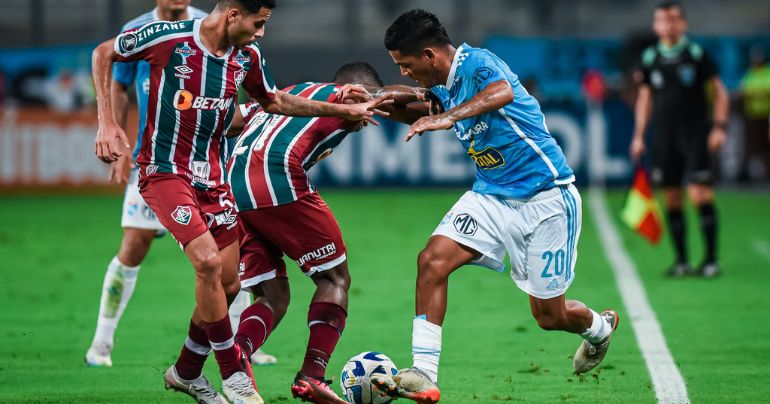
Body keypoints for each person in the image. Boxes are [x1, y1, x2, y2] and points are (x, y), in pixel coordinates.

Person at [91, 0, 391, 402]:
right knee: (208, 263)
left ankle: (186, 371)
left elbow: (275, 102)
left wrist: (340, 107)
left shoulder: (246, 56)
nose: (261, 32)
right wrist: (107, 122)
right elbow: (103, 52)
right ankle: (236, 376)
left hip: (216, 179)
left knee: (229, 285)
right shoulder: (169, 36)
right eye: (259, 23)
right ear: (233, 15)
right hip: (165, 171)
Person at [360, 9, 620, 403]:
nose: (407, 73)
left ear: (430, 55)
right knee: (432, 260)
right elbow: (417, 108)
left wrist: (449, 116)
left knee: (549, 317)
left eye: (407, 65)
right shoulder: (443, 85)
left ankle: (599, 328)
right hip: (491, 196)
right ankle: (423, 372)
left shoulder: (477, 63)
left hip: (546, 199)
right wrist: (375, 103)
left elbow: (501, 94)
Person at [226, 62, 392, 404]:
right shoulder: (349, 96)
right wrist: (426, 94)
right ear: (357, 90)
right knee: (335, 279)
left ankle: (237, 355)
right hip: (276, 180)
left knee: (272, 295)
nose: (365, 118)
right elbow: (393, 99)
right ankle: (312, 376)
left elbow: (229, 121)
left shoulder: (287, 92)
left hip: (233, 186)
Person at [84, 0, 211, 369]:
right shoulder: (136, 30)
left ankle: (242, 345)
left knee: (225, 251)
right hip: (152, 160)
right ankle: (101, 344)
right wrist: (116, 133)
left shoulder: (210, 25)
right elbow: (118, 86)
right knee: (134, 244)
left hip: (204, 162)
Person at [629, 1, 729, 278]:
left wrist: (719, 127)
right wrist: (638, 135)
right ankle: (682, 261)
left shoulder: (696, 54)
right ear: (655, 25)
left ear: (683, 24)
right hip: (664, 136)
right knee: (672, 196)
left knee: (699, 193)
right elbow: (645, 98)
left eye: (673, 20)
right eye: (663, 20)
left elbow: (720, 92)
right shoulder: (650, 58)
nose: (668, 25)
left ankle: (710, 260)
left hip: (696, 134)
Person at [738, 45, 770, 182]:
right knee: (750, 146)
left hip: (766, 117)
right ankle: (746, 174)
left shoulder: (768, 73)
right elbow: (742, 93)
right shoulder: (749, 74)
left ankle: (767, 174)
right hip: (752, 117)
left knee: (766, 146)